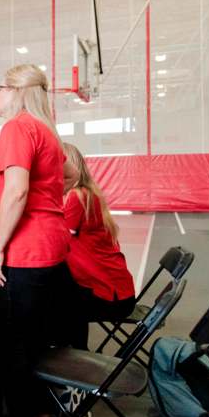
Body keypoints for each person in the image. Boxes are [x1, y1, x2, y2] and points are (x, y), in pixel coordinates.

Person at [0, 64, 77, 417]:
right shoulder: (47, 132)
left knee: (14, 352)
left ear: (16, 91)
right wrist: (45, 204)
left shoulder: (17, 127)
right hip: (51, 250)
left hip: (24, 253)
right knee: (36, 350)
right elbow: (69, 175)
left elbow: (17, 191)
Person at [60, 142, 136, 350]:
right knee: (64, 298)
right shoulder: (87, 193)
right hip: (118, 290)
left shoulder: (77, 196)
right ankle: (76, 358)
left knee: (59, 305)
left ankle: (76, 362)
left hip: (112, 296)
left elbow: (58, 239)